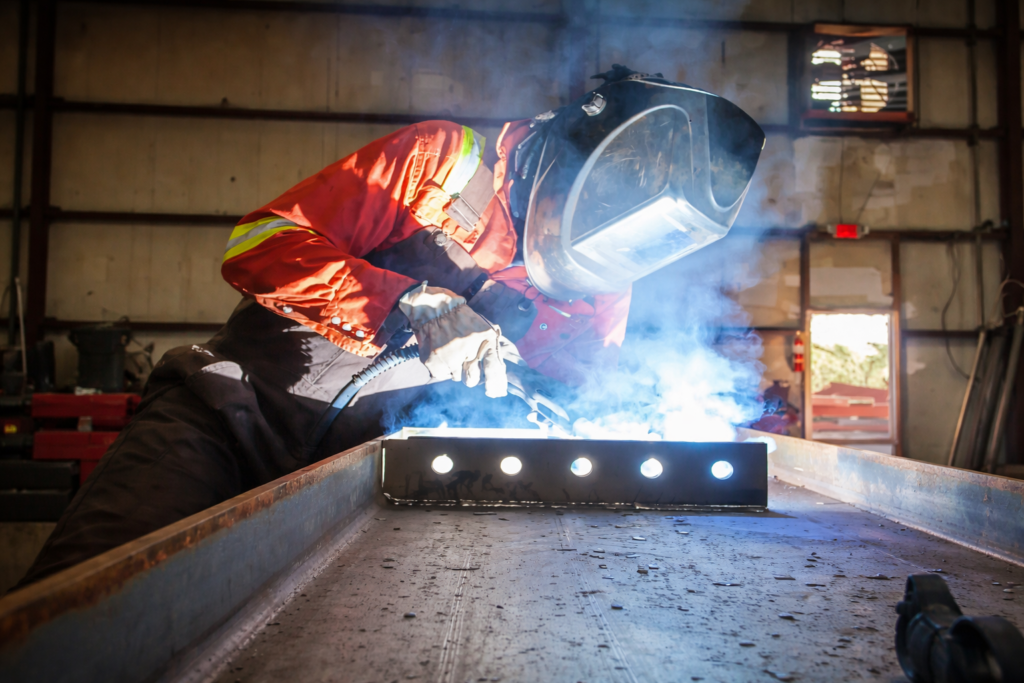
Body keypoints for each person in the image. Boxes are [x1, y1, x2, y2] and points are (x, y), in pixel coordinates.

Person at [17, 65, 764, 585]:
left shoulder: (600, 281)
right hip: (226, 418)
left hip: (358, 487)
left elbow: (583, 413)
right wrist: (407, 300)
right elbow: (258, 245)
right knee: (85, 603)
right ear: (560, 163)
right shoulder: (438, 164)